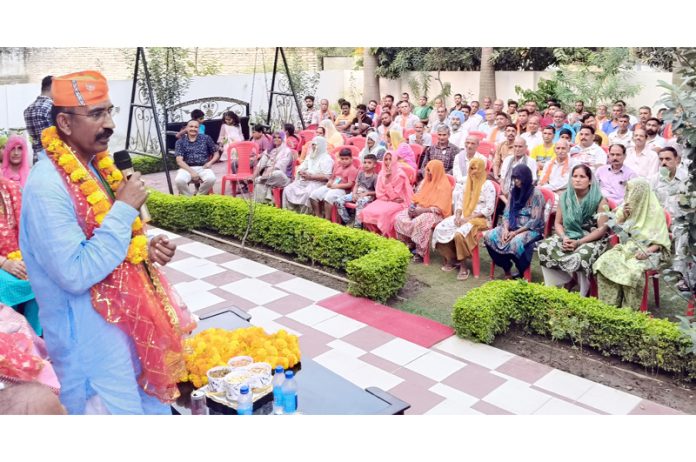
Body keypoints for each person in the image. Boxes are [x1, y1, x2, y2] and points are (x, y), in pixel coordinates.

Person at [19, 70, 196, 414]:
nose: (111, 124)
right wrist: (123, 210)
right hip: (91, 350)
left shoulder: (97, 167)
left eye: (110, 111)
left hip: (131, 331)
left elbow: (106, 242)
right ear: (65, 124)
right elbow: (74, 273)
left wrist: (144, 250)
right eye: (97, 114)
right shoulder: (46, 186)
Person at [593, 178, 671, 310]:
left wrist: (648, 251)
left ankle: (630, 310)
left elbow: (661, 241)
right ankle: (609, 306)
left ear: (642, 194)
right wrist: (623, 216)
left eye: (633, 192)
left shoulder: (655, 212)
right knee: (603, 263)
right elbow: (615, 232)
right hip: (626, 247)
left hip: (648, 251)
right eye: (628, 191)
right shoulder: (625, 208)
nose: (630, 195)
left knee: (633, 272)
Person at [537, 164, 609, 296]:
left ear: (590, 180)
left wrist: (579, 242)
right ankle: (565, 279)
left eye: (582, 176)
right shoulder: (565, 197)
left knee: (580, 256)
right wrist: (564, 237)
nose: (577, 179)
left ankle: (584, 289)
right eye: (574, 176)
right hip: (569, 235)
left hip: (592, 238)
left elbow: (601, 230)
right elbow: (558, 223)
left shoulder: (599, 200)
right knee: (544, 247)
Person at [434, 158, 496, 280]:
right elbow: (459, 204)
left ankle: (464, 266)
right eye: (471, 168)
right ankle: (452, 258)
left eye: (476, 168)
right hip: (463, 216)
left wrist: (469, 218)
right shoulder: (467, 183)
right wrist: (457, 216)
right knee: (440, 228)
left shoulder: (488, 185)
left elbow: (489, 209)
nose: (473, 172)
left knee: (459, 234)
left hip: (481, 219)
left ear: (482, 170)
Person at [484, 165, 546, 278]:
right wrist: (506, 229)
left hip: (531, 229)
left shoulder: (536, 194)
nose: (516, 181)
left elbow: (535, 220)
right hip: (512, 226)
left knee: (515, 242)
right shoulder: (513, 192)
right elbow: (507, 213)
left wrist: (515, 233)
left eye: (519, 178)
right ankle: (506, 267)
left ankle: (521, 270)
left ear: (526, 178)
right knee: (489, 236)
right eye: (515, 178)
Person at [0, 177, 41, 335]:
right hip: (3, 265)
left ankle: (34, 342)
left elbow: (34, 229)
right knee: (10, 283)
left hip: (20, 257)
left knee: (39, 277)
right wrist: (4, 263)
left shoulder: (13, 189)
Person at [394, 160, 452, 262]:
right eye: (427, 170)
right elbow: (416, 197)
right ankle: (409, 243)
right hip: (420, 208)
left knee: (420, 221)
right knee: (400, 217)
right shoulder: (425, 182)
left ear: (437, 171)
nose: (428, 173)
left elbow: (438, 209)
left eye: (431, 171)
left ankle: (420, 251)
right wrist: (412, 207)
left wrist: (420, 211)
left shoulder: (444, 186)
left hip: (435, 213)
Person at [650, 147, 689, 291]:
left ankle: (680, 275)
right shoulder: (655, 179)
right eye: (661, 159)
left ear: (677, 160)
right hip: (659, 220)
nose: (664, 162)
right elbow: (649, 202)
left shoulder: (686, 178)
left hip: (681, 219)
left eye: (668, 159)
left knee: (682, 234)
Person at [358, 150, 413, 238]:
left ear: (394, 160)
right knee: (366, 211)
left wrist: (387, 181)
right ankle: (375, 234)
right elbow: (379, 192)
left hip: (399, 202)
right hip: (385, 200)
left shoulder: (400, 175)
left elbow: (396, 196)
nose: (387, 162)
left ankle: (386, 237)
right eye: (386, 159)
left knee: (384, 215)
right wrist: (387, 198)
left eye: (390, 159)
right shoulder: (382, 173)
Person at [283, 136, 334, 214]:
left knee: (307, 193)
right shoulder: (310, 156)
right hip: (306, 180)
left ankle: (305, 215)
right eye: (312, 144)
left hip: (318, 183)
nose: (313, 147)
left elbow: (327, 177)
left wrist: (311, 176)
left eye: (315, 145)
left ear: (321, 146)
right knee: (288, 189)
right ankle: (290, 213)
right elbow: (302, 167)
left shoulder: (327, 159)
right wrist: (301, 172)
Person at [309, 148, 358, 220]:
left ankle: (327, 219)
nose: (344, 161)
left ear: (351, 159)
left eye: (346, 159)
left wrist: (336, 186)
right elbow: (332, 177)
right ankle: (318, 216)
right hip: (332, 186)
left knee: (328, 197)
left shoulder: (352, 169)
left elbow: (350, 184)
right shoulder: (338, 166)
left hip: (343, 190)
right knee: (313, 195)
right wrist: (330, 182)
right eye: (342, 159)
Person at [174, 119, 219, 196]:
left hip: (203, 167)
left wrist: (210, 163)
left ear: (198, 129)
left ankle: (199, 196)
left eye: (196, 127)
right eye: (191, 126)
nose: (193, 129)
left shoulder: (206, 138)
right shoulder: (180, 142)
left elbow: (216, 153)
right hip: (186, 168)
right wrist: (192, 172)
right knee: (179, 180)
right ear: (187, 128)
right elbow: (179, 161)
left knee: (211, 179)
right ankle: (188, 198)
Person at [335, 154, 378, 228]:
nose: (366, 164)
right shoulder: (361, 173)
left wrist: (367, 193)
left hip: (367, 196)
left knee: (360, 202)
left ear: (374, 165)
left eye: (369, 163)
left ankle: (357, 225)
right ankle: (347, 221)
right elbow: (356, 185)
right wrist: (354, 194)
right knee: (338, 201)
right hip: (356, 193)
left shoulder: (375, 177)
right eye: (365, 162)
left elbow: (377, 191)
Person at [252, 131, 294, 204]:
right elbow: (261, 164)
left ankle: (260, 179)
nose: (276, 139)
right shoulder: (270, 150)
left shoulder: (287, 151)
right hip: (268, 177)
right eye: (274, 137)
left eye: (279, 138)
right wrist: (253, 177)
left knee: (277, 173)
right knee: (259, 185)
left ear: (283, 139)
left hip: (283, 177)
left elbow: (279, 166)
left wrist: (266, 174)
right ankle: (261, 206)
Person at [22, 75, 53, 162]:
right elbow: (53, 140)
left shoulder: (28, 109)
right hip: (53, 159)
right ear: (53, 87)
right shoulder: (51, 108)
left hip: (37, 158)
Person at [538, 139, 577, 205]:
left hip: (565, 194)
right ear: (554, 150)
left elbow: (566, 182)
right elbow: (542, 180)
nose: (560, 151)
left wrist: (546, 188)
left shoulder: (574, 163)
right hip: (549, 193)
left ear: (568, 149)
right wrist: (546, 190)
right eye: (558, 148)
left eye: (563, 148)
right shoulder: (549, 163)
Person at [452, 136, 487, 207]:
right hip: (459, 186)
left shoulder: (482, 159)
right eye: (467, 143)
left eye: (472, 143)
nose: (469, 146)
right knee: (455, 193)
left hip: (474, 187)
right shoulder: (458, 157)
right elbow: (456, 175)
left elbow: (476, 177)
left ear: (477, 145)